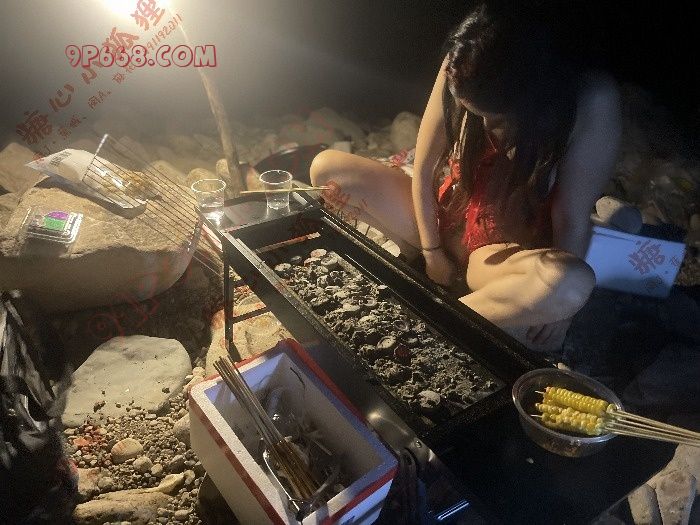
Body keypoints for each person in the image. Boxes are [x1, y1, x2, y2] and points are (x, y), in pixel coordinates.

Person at [310, 2, 621, 351]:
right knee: (327, 169)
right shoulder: (465, 64)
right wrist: (432, 252)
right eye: (474, 113)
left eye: (498, 119)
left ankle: (433, 325)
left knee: (571, 284)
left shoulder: (589, 98)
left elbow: (571, 217)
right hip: (447, 215)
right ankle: (444, 286)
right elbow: (424, 169)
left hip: (497, 252)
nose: (484, 126)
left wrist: (560, 314)